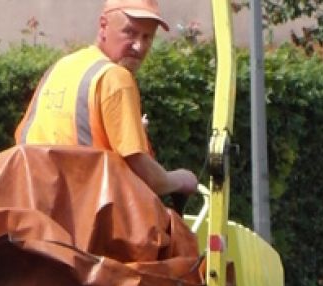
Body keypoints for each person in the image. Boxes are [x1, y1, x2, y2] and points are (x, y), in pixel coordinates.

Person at [14, 0, 197, 197]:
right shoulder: (116, 77)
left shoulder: (60, 67)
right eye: (130, 33)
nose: (139, 46)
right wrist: (179, 179)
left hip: (34, 203)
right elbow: (145, 176)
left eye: (147, 37)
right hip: (84, 213)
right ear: (103, 26)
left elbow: (34, 139)